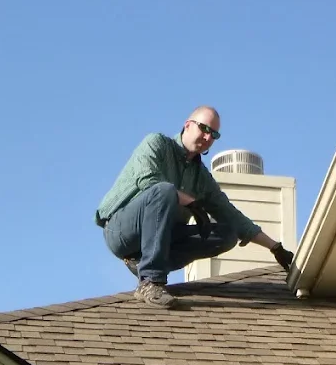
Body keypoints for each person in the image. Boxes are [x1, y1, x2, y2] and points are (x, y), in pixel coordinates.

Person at [95, 106, 294, 309]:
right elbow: (149, 181)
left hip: (160, 236)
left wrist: (275, 248)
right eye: (204, 128)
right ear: (187, 125)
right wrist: (191, 202)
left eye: (214, 134)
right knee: (164, 190)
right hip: (121, 230)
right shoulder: (157, 144)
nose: (208, 137)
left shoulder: (201, 178)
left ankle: (142, 262)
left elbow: (231, 215)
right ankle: (150, 282)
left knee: (227, 234)